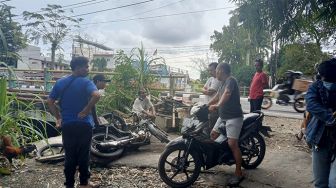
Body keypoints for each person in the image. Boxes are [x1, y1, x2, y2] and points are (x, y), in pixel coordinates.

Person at [47, 56, 100, 188]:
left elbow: (50, 102)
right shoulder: (86, 82)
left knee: (69, 155)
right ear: (78, 68)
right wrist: (87, 109)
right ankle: (83, 183)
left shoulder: (61, 82)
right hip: (84, 124)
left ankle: (69, 184)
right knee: (83, 154)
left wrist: (58, 117)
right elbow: (97, 95)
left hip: (68, 125)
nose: (88, 69)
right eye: (86, 66)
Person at [208, 63, 244, 186]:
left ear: (221, 71)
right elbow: (218, 96)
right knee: (212, 135)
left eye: (216, 70)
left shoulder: (231, 80)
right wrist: (206, 105)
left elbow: (227, 94)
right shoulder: (222, 83)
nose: (214, 73)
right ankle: (222, 157)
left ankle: (239, 172)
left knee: (232, 143)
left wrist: (217, 106)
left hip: (234, 117)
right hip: (223, 117)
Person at [305, 58, 336, 188]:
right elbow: (311, 104)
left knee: (333, 183)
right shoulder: (315, 87)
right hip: (319, 139)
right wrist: (331, 117)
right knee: (320, 183)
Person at [202, 62, 220, 131]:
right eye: (209, 70)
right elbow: (203, 89)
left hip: (214, 108)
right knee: (207, 124)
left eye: (211, 70)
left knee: (213, 126)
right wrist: (205, 91)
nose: (210, 72)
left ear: (217, 69)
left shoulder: (219, 80)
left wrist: (205, 91)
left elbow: (210, 92)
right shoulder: (210, 79)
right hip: (208, 106)